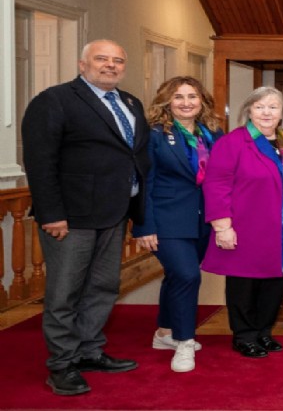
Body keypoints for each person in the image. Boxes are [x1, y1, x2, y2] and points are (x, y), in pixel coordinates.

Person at [22, 39, 150, 395]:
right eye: (101, 59)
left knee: (103, 287)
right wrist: (51, 213)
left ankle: (89, 351)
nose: (110, 65)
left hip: (114, 213)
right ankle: (62, 364)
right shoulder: (55, 100)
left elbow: (134, 156)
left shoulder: (130, 103)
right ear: (83, 64)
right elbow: (40, 161)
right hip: (71, 217)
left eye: (118, 60)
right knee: (65, 292)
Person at [200, 87, 283, 358]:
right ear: (249, 110)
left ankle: (263, 331)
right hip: (245, 229)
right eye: (260, 106)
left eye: (273, 107)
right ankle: (244, 335)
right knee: (244, 286)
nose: (266, 112)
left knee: (275, 284)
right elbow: (216, 186)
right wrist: (222, 226)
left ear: (282, 113)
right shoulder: (233, 142)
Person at [132, 76, 223, 372]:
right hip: (166, 219)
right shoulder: (154, 134)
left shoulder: (212, 132)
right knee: (187, 276)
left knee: (177, 277)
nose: (186, 102)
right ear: (166, 101)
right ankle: (184, 342)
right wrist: (144, 226)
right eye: (179, 97)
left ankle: (164, 333)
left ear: (202, 101)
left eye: (192, 96)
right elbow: (145, 182)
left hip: (202, 220)